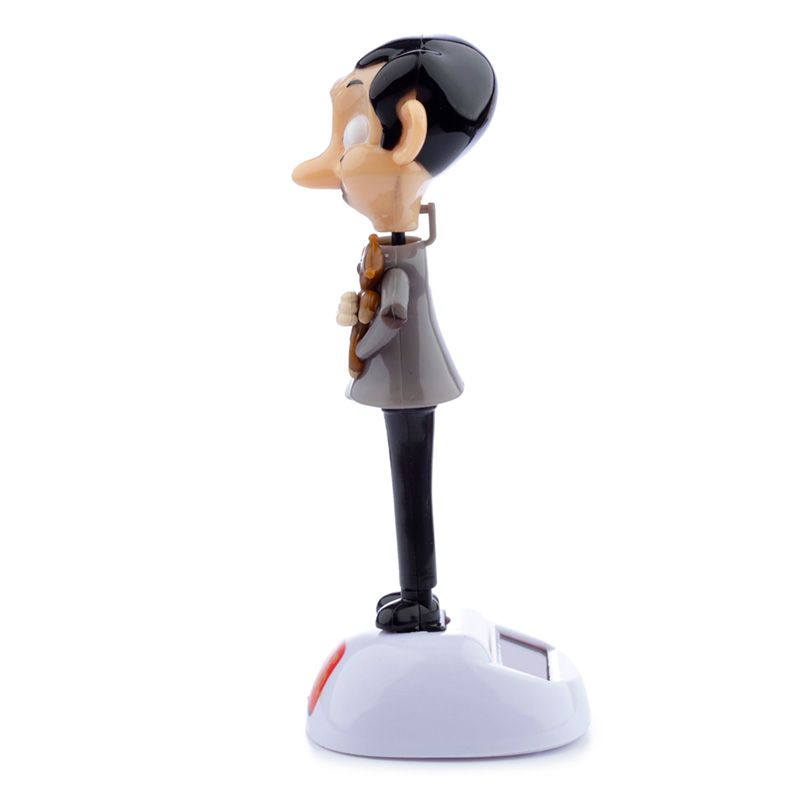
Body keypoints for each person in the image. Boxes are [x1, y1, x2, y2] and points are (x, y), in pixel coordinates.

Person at [292, 36, 497, 632]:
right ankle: (416, 592)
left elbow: (397, 315)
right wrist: (361, 309)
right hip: (406, 381)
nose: (332, 169)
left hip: (408, 382)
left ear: (407, 133)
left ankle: (420, 598)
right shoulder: (391, 250)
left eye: (352, 138)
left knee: (410, 489)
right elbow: (386, 305)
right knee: (408, 487)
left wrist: (362, 340)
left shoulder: (402, 260)